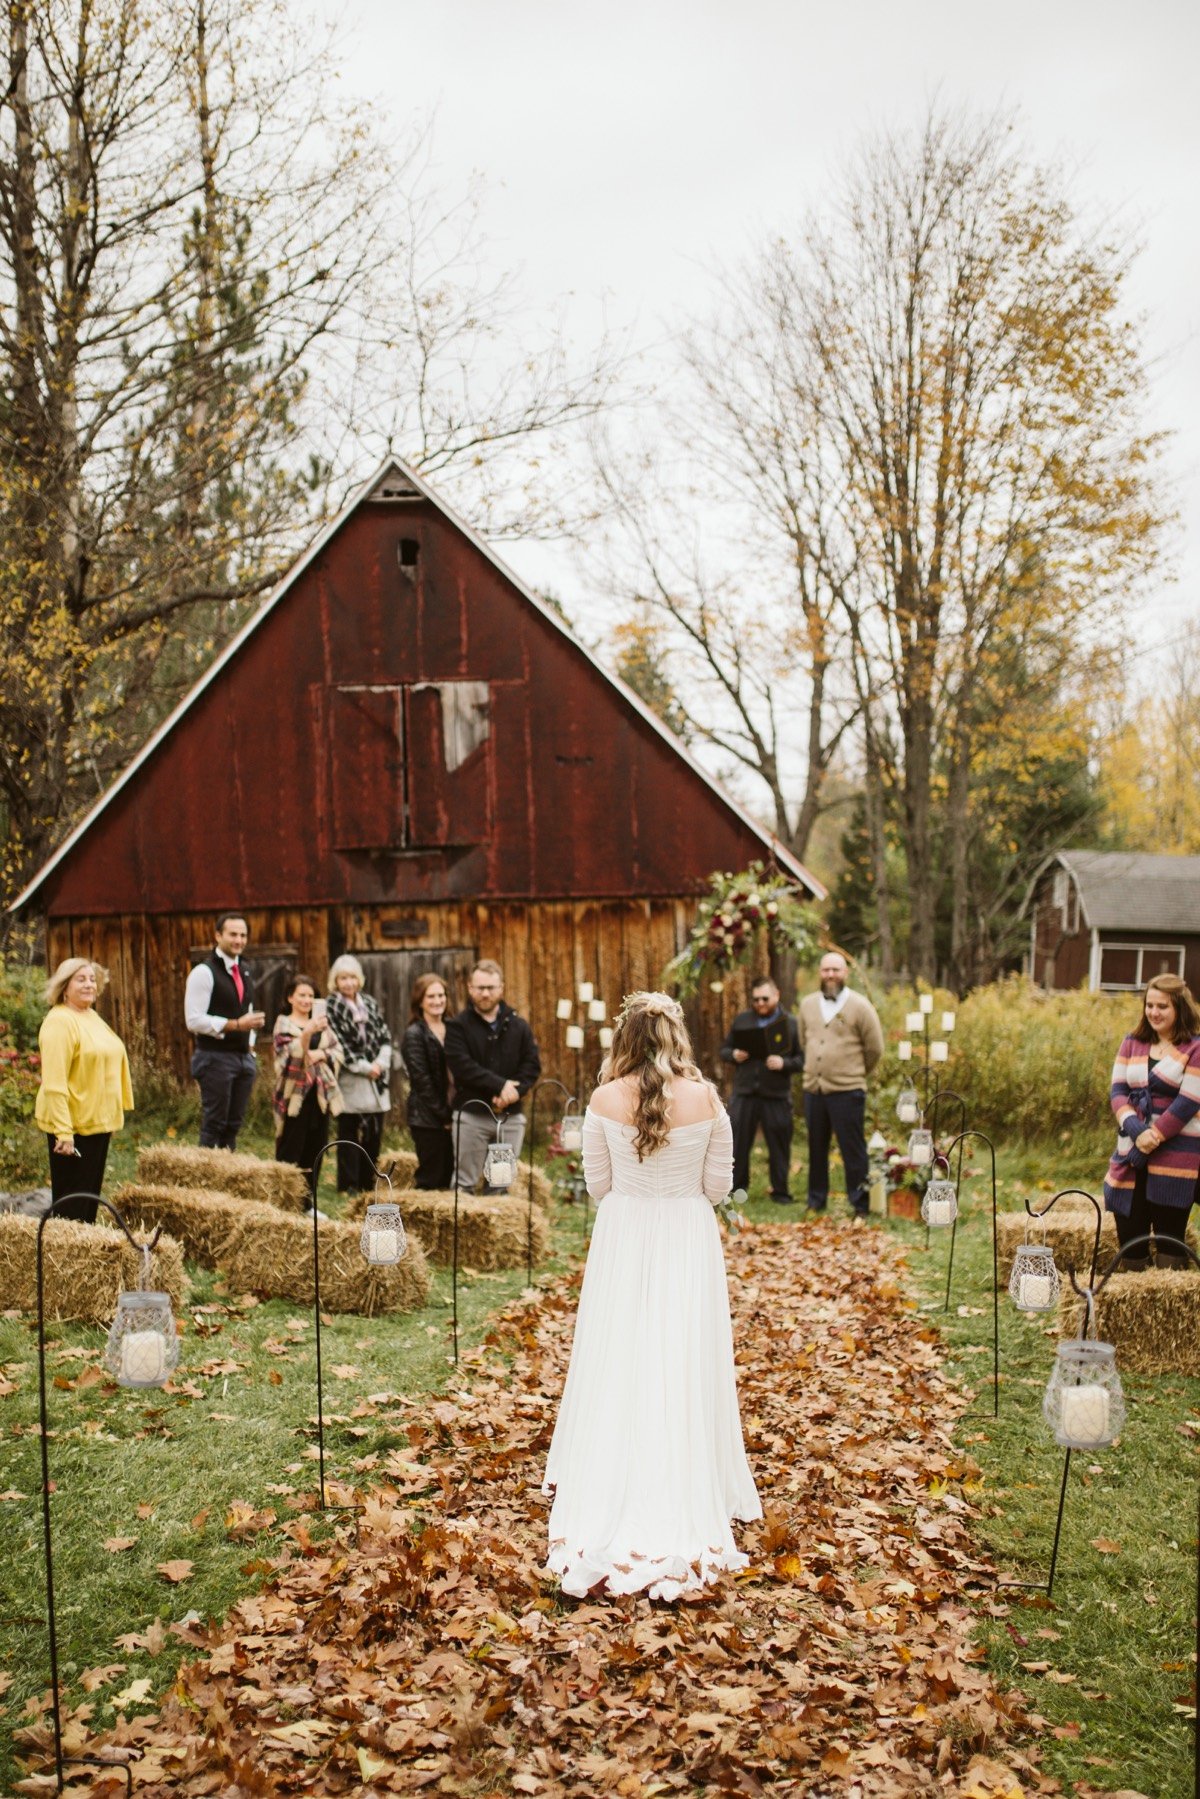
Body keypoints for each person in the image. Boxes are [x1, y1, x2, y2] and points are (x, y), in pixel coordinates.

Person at [543, 990, 761, 1600]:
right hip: (685, 1239)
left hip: (626, 1235)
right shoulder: (708, 1099)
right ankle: (687, 1471)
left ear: (625, 1039)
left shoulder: (603, 1099)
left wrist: (642, 1189)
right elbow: (718, 1188)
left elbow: (597, 1185)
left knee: (623, 1354)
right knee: (680, 1354)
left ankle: (616, 1470)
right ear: (676, 1038)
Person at [1103, 974, 1200, 1268]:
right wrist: (1135, 1130)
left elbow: (1188, 1102)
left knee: (1170, 1239)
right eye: (1149, 1005)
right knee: (1130, 1236)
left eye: (1163, 1006)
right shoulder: (1132, 1042)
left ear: (1179, 1009)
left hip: (1175, 1156)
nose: (1154, 1012)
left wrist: (1151, 1137)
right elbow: (1118, 1090)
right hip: (1129, 1154)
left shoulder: (1194, 1048)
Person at [34, 959, 134, 1223]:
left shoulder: (90, 1016)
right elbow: (55, 1083)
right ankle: (64, 1256)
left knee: (89, 1196)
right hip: (74, 1126)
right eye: (81, 979)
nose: (89, 984)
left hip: (96, 1122)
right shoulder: (60, 1022)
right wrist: (63, 1132)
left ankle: (84, 1254)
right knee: (72, 1202)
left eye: (92, 979)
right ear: (64, 987)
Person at [797, 951, 884, 1217]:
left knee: (852, 1148)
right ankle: (816, 1200)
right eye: (826, 970)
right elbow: (804, 1041)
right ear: (820, 973)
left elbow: (875, 1049)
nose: (830, 975)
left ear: (846, 973)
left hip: (848, 1090)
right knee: (816, 1146)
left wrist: (853, 1073)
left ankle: (859, 1203)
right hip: (815, 1089)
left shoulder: (860, 1007)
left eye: (836, 970)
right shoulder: (807, 1005)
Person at [444, 960, 541, 1192]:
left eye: (491, 987)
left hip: (510, 1116)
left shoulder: (519, 1026)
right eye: (480, 988)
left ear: (501, 988)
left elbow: (532, 1066)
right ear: (470, 988)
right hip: (471, 1115)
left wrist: (514, 1092)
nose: (485, 993)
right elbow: (462, 1066)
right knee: (464, 1183)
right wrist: (500, 1086)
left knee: (501, 1183)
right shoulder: (458, 1027)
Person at [719, 975, 804, 1203]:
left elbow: (802, 1060)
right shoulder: (742, 1020)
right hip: (745, 1092)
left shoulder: (791, 1024)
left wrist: (784, 1063)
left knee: (779, 1143)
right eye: (755, 1000)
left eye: (765, 998)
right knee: (738, 1143)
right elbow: (725, 1050)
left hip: (776, 1093)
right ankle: (737, 1189)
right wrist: (734, 1055)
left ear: (776, 995)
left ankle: (780, 1191)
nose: (760, 1004)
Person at [184, 912, 265, 1151]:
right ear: (218, 935)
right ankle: (206, 1180)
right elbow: (193, 1020)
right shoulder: (203, 972)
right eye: (233, 934)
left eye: (243, 935)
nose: (239, 940)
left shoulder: (245, 970)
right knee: (214, 1125)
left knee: (233, 1125)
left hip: (242, 1060)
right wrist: (236, 1025)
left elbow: (247, 1009)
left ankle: (227, 1176)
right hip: (214, 1058)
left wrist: (249, 1047)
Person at [272, 973, 343, 1205]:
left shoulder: (323, 1025)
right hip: (294, 1097)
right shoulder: (283, 1024)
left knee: (315, 1150)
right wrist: (307, 1033)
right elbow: (286, 1059)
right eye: (302, 995)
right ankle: (285, 1202)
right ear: (290, 997)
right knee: (290, 1152)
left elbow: (337, 1052)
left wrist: (320, 1054)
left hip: (318, 1096)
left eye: (311, 996)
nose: (306, 1000)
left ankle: (307, 1204)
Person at [325, 955, 392, 1193]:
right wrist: (366, 1067)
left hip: (376, 1077)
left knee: (373, 1134)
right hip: (352, 1077)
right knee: (349, 1134)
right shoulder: (331, 1005)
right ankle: (348, 1184)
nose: (348, 983)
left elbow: (385, 1035)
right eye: (343, 978)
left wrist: (381, 1063)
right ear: (336, 980)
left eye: (352, 977)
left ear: (359, 979)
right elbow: (339, 1043)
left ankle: (367, 1181)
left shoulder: (370, 1003)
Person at [401, 973, 453, 1189]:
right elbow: (422, 1081)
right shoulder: (414, 1034)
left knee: (449, 1175)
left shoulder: (453, 1028)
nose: (437, 1001)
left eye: (441, 995)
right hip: (426, 1118)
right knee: (431, 1176)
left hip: (452, 1112)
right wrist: (444, 1115)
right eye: (430, 996)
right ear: (420, 1001)